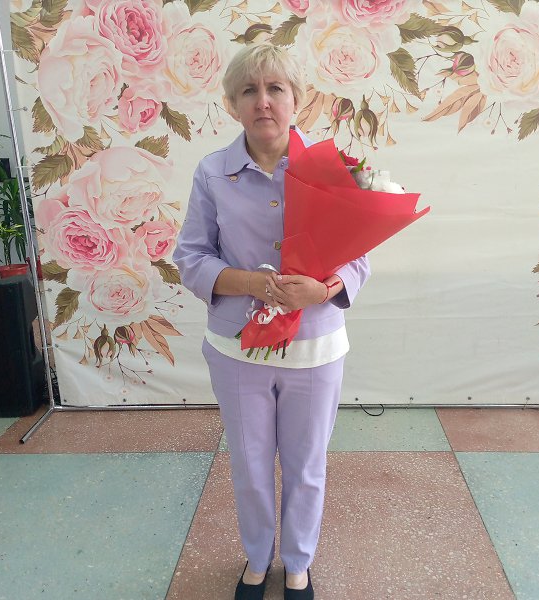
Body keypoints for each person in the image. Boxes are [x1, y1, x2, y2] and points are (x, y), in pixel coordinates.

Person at [173, 43, 370, 600]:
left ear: (296, 99)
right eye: (249, 91)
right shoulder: (212, 173)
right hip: (238, 349)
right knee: (250, 464)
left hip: (315, 346)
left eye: (275, 88)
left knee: (307, 465)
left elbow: (359, 256)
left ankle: (299, 562)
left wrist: (323, 289)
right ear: (232, 104)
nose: (263, 101)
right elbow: (191, 257)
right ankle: (257, 559)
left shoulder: (329, 170)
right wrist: (252, 283)